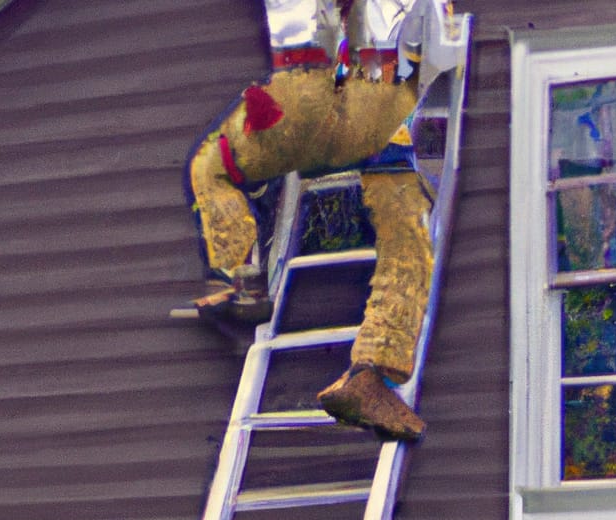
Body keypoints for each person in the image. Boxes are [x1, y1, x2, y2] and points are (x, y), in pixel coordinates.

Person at [184, 0, 445, 439]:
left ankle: (238, 276)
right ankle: (372, 373)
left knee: (211, 168)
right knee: (406, 230)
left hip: (299, 99)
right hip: (379, 104)